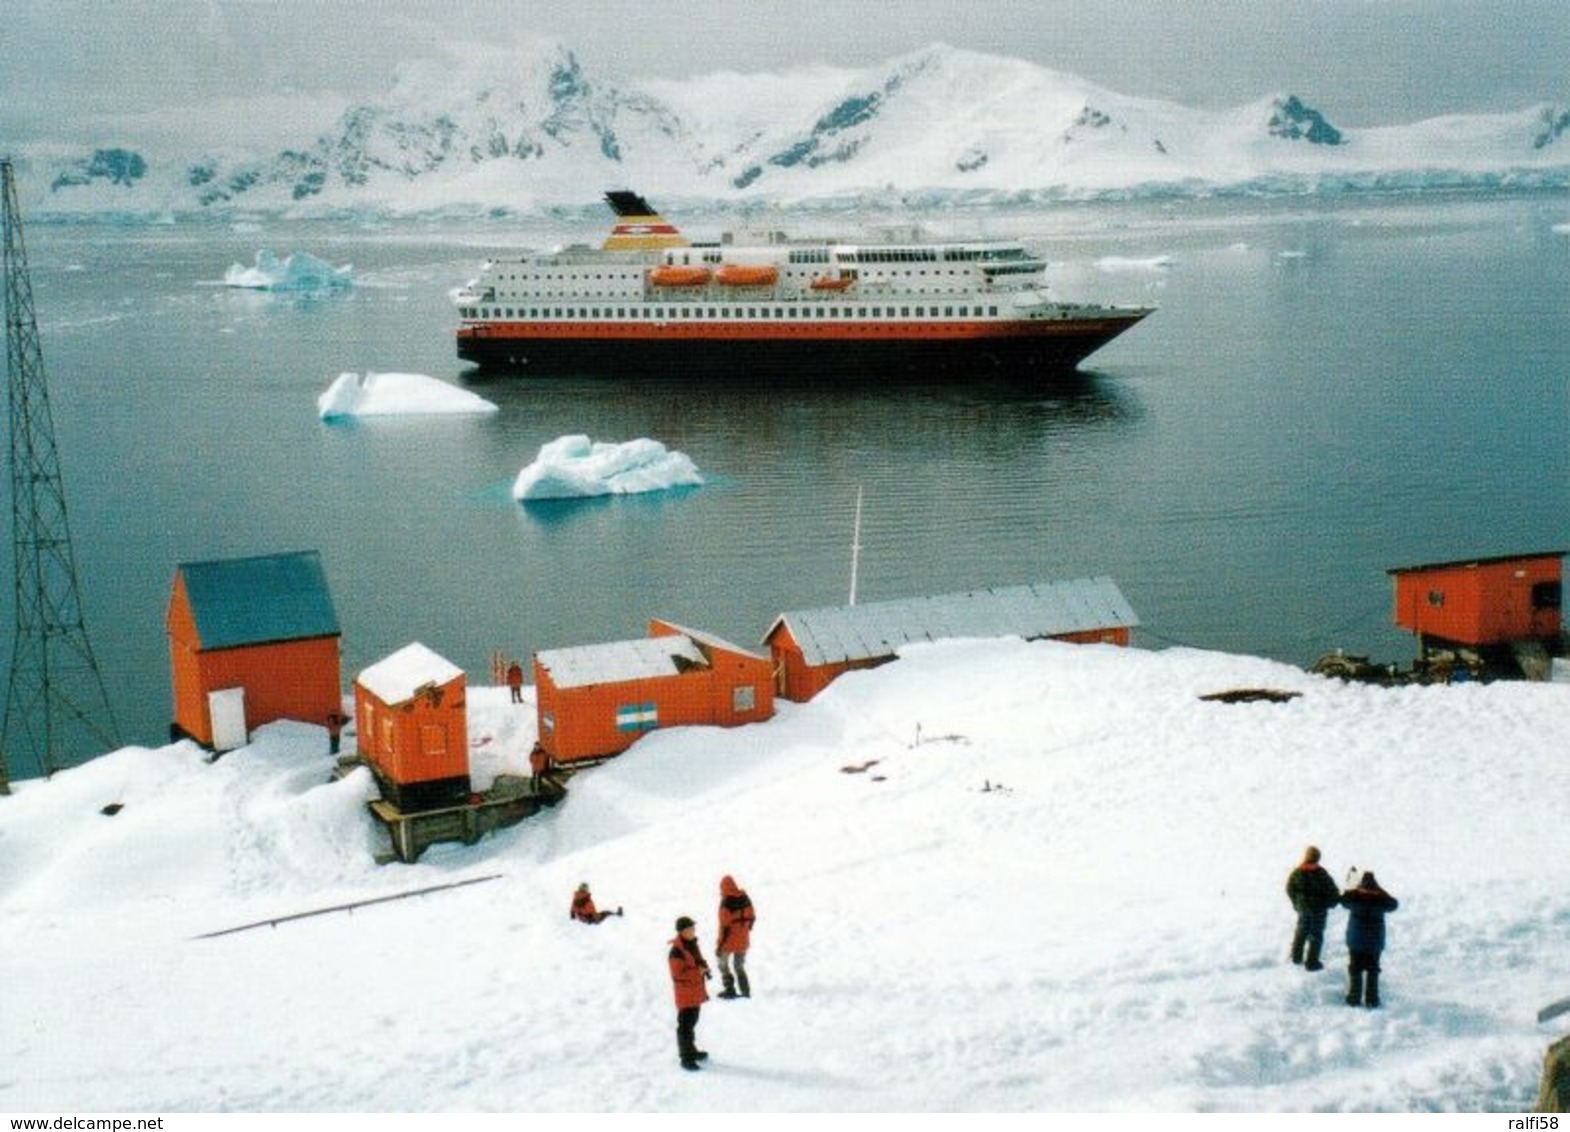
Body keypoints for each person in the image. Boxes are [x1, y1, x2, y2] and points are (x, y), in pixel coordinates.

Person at [1341, 870, 1399, 1008]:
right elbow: (1394, 904)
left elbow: (1343, 900)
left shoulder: (1355, 898)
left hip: (1356, 941)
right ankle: (1372, 999)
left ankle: (1354, 998)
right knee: (1373, 970)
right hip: (1374, 942)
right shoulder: (1380, 900)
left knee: (1355, 968)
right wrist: (1380, 891)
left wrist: (1353, 886)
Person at [1285, 845, 1341, 971]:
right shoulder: (1321, 873)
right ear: (1318, 858)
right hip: (1319, 909)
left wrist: (1297, 904)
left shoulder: (1297, 872)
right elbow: (1332, 891)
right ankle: (1312, 962)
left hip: (1303, 909)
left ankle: (1296, 957)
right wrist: (1331, 903)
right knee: (1316, 935)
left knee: (1301, 932)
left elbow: (1289, 889)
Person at [668, 915, 711, 1070]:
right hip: (685, 994)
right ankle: (685, 1058)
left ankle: (691, 1051)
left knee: (692, 1023)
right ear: (682, 931)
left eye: (693, 928)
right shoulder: (676, 952)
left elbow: (697, 960)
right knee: (685, 1026)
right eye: (690, 929)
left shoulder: (691, 944)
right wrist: (698, 971)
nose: (693, 931)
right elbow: (679, 975)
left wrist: (704, 966)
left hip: (694, 991)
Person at [716, 875, 756, 999]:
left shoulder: (725, 903)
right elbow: (752, 917)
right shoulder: (745, 898)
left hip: (728, 941)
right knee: (739, 966)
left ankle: (730, 989)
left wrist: (720, 946)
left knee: (722, 965)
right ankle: (745, 991)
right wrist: (746, 929)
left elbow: (724, 928)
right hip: (743, 940)